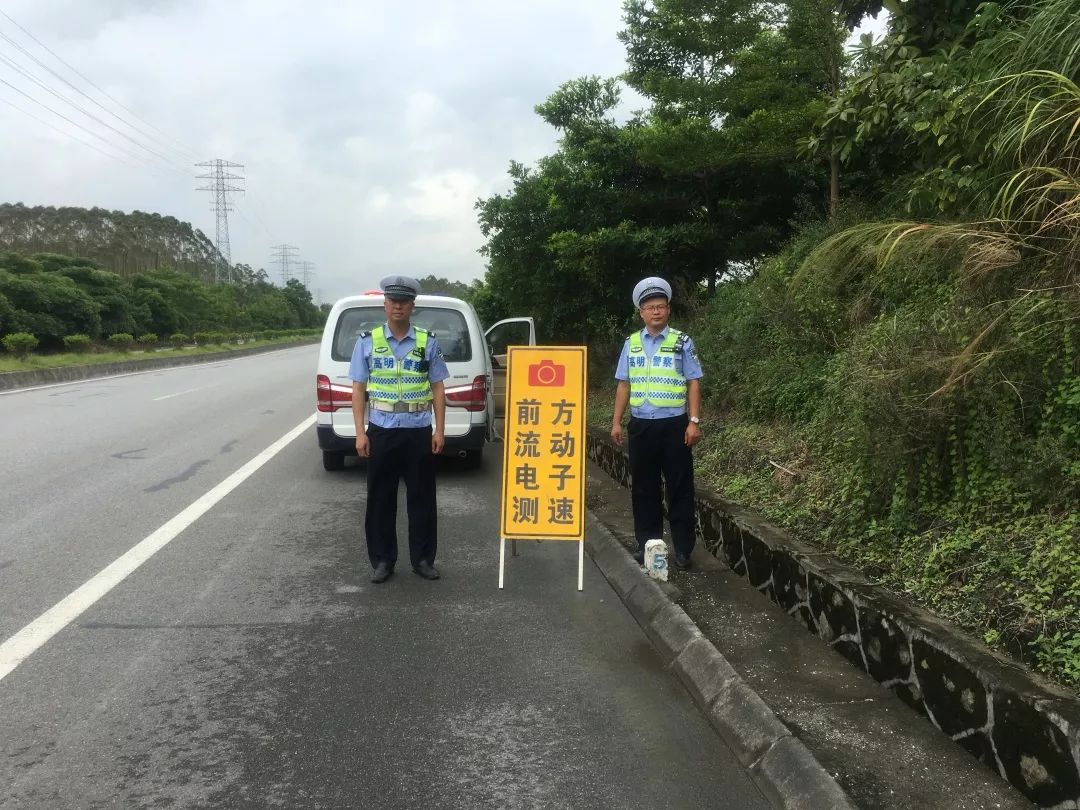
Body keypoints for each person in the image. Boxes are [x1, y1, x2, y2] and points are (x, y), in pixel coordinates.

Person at [349, 275, 449, 583]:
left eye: (403, 302)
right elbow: (358, 389)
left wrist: (439, 430)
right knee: (380, 498)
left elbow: (438, 388)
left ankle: (422, 559)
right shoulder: (367, 342)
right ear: (384, 305)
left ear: (412, 306)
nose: (398, 306)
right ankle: (382, 560)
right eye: (393, 301)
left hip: (418, 430)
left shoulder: (427, 342)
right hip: (381, 429)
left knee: (422, 498)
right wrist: (360, 432)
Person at [611, 277, 704, 570]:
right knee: (643, 489)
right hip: (641, 426)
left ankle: (683, 550)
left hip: (675, 425)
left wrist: (694, 421)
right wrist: (616, 422)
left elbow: (693, 382)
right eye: (650, 307)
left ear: (668, 310)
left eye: (661, 306)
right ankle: (649, 548)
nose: (656, 312)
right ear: (641, 312)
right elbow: (623, 385)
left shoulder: (682, 341)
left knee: (679, 487)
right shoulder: (632, 343)